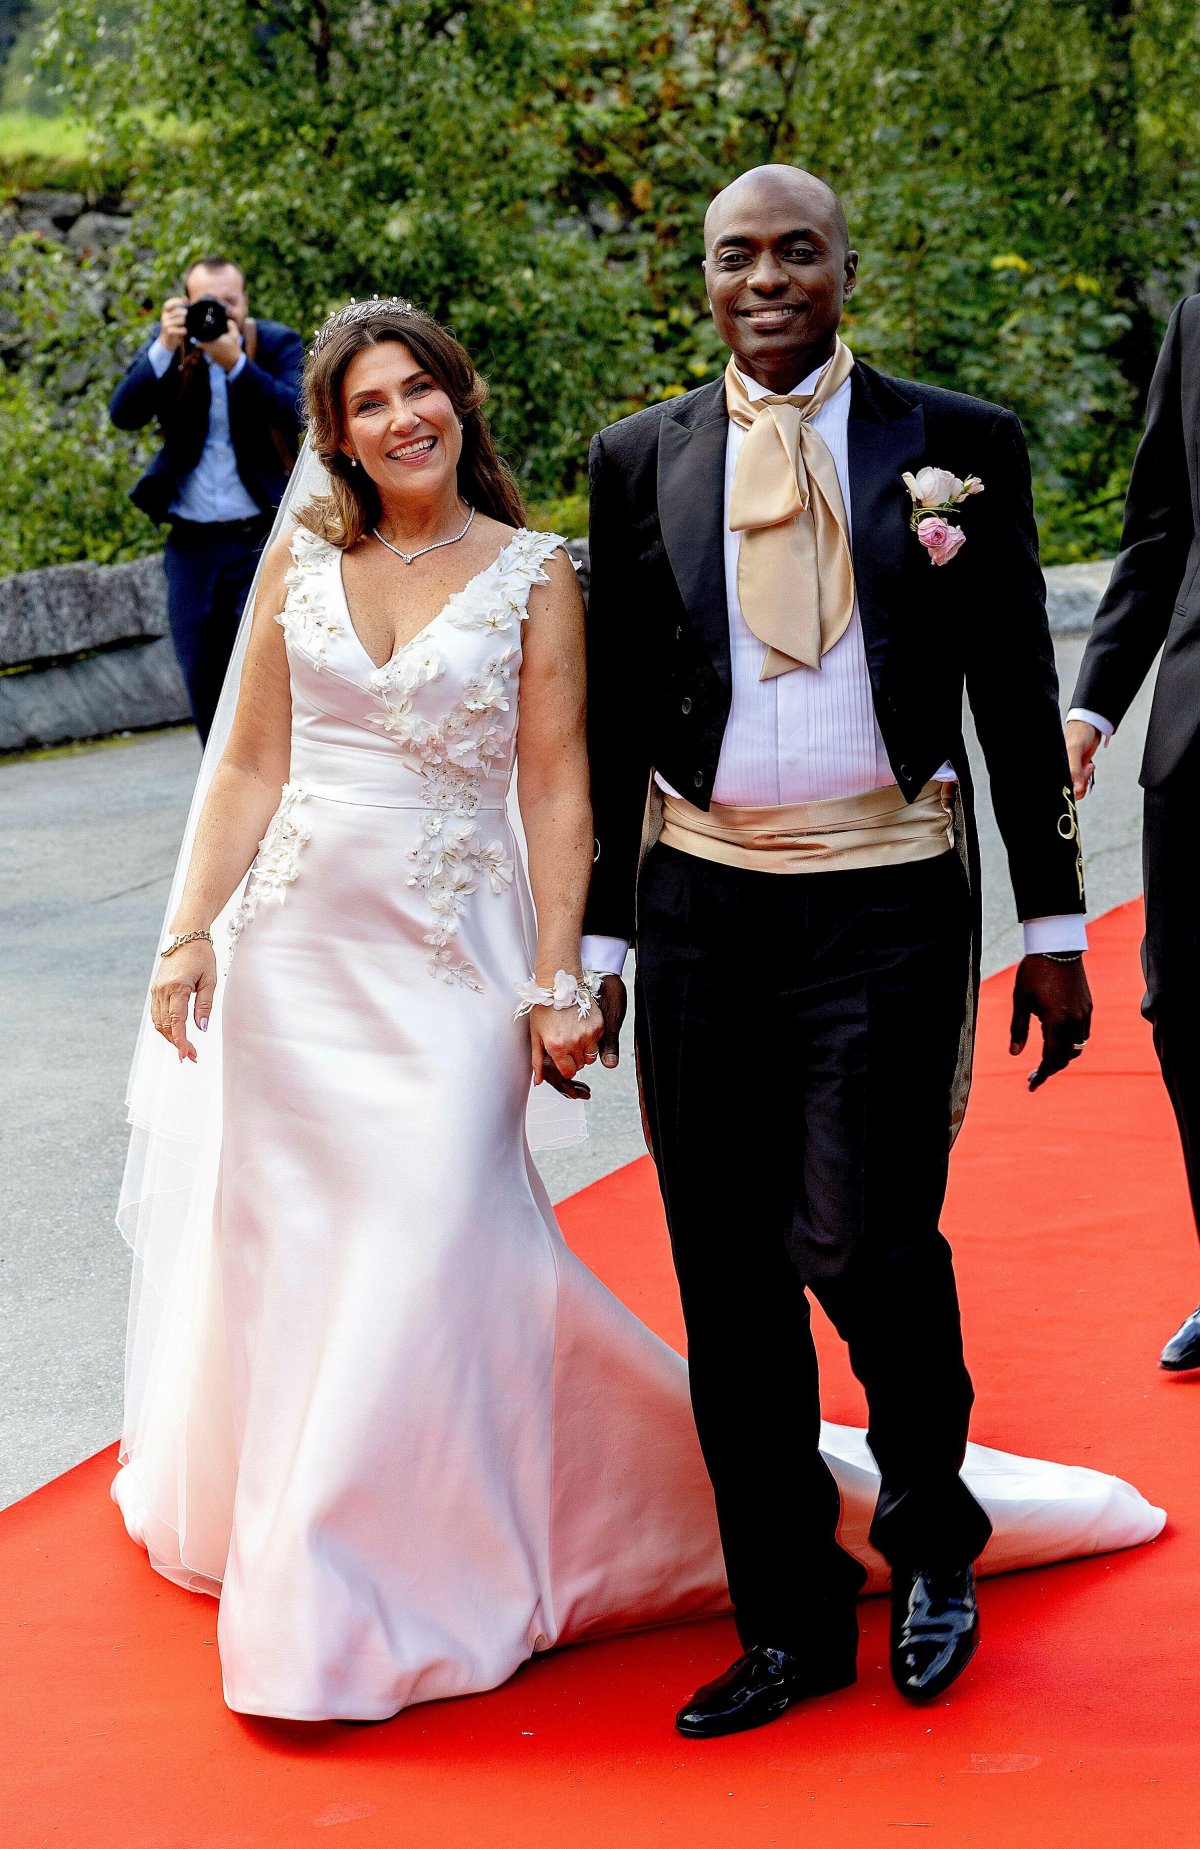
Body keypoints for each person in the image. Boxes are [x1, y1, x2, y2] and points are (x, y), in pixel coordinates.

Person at [112, 296, 1161, 1728]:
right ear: (335, 433)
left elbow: (563, 782)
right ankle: (718, 1610)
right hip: (332, 957)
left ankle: (931, 1544)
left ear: (462, 400)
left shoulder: (552, 564)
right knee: (488, 1274)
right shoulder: (541, 487)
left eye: (422, 389)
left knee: (846, 1236)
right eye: (370, 403)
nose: (402, 418)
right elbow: (249, 767)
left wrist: (559, 973)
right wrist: (189, 935)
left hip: (596, 946)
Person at [582, 164, 1101, 1736]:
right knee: (727, 1278)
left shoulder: (960, 447)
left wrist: (1056, 926)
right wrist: (597, 938)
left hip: (885, 895)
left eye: (795, 251)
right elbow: (610, 718)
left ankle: (932, 1542)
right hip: (698, 908)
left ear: (843, 269)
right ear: (705, 279)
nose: (765, 279)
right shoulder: (634, 457)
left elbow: (1015, 689)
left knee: (861, 1243)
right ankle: (791, 1619)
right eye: (735, 255)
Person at [1067, 293, 1200, 1374]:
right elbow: (1158, 533)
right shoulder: (1198, 318)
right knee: (1186, 1013)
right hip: (1199, 749)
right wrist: (1093, 704)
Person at [109, 257, 304, 741]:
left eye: (229, 302)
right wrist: (163, 346)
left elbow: (299, 410)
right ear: (187, 304)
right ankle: (219, 800)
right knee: (203, 675)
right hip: (192, 544)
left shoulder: (273, 343)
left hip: (264, 538)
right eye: (207, 303)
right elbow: (124, 413)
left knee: (272, 670)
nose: (220, 312)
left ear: (244, 301)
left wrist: (234, 362)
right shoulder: (175, 349)